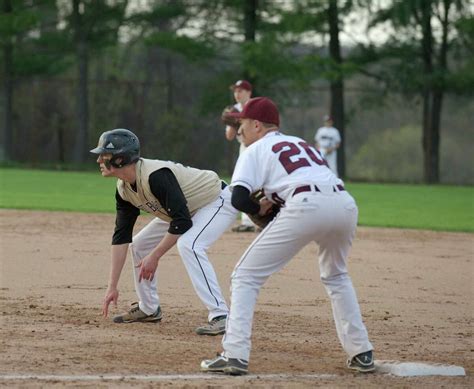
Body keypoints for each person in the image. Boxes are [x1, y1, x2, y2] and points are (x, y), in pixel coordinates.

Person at [201, 97, 374, 375]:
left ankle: (234, 354)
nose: (240, 130)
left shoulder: (253, 149)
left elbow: (238, 198)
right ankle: (361, 351)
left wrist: (258, 208)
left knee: (245, 276)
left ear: (256, 124)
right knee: (337, 275)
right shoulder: (301, 143)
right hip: (344, 204)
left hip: (306, 205)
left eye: (242, 123)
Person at [90, 128, 238, 336]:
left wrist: (156, 256)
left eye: (104, 155)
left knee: (190, 245)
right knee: (140, 245)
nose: (99, 160)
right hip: (184, 209)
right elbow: (121, 236)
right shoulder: (124, 188)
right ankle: (148, 308)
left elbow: (182, 221)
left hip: (215, 200)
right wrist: (112, 286)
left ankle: (220, 315)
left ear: (120, 159)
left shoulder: (155, 176)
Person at [224, 79, 256, 233]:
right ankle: (247, 221)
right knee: (243, 182)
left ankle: (265, 219)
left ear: (249, 92)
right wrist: (232, 122)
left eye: (240, 90)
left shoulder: (257, 106)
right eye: (235, 91)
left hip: (259, 147)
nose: (237, 94)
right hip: (244, 147)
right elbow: (230, 137)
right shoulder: (233, 109)